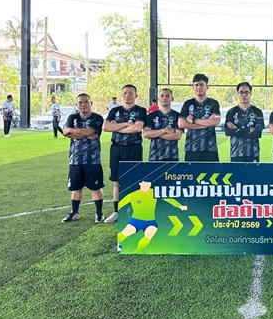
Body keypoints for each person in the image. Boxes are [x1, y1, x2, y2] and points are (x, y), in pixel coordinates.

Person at [103, 84, 147, 223]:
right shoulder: (114, 110)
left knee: (134, 180)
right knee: (117, 181)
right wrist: (127, 124)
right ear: (122, 95)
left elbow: (137, 128)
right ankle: (117, 211)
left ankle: (134, 210)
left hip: (133, 148)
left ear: (136, 95)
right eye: (125, 93)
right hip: (116, 149)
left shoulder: (141, 110)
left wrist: (116, 126)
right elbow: (106, 127)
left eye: (131, 93)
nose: (128, 96)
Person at [61, 93, 105, 223]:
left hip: (93, 159)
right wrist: (84, 133)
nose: (83, 105)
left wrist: (73, 132)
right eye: (80, 102)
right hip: (75, 160)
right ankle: (74, 212)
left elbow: (90, 132)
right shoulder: (72, 117)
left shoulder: (97, 118)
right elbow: (65, 132)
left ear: (91, 104)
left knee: (95, 187)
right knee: (76, 187)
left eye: (86, 102)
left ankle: (99, 213)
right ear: (76, 105)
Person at [118, 178, 187, 252]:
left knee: (148, 237)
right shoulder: (133, 195)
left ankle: (136, 252)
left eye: (149, 184)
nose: (147, 185)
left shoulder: (154, 193)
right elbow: (120, 204)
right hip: (135, 221)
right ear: (140, 183)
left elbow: (168, 198)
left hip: (151, 222)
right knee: (125, 234)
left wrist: (179, 206)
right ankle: (117, 244)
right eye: (145, 183)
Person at [178, 74, 221, 162]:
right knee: (191, 171)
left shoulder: (213, 103)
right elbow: (181, 124)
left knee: (212, 171)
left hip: (210, 148)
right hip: (191, 148)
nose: (199, 87)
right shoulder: (188, 104)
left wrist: (194, 120)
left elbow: (216, 122)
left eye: (201, 85)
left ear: (207, 87)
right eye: (196, 85)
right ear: (193, 87)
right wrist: (207, 123)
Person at [225, 82, 264, 162]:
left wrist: (236, 130)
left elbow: (257, 134)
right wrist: (249, 129)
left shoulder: (257, 112)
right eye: (241, 92)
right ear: (237, 94)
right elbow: (228, 132)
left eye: (246, 92)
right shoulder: (231, 112)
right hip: (236, 153)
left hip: (253, 154)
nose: (244, 95)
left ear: (250, 94)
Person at [143, 88, 183, 161]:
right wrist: (165, 130)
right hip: (154, 156)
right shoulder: (151, 116)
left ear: (172, 98)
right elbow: (146, 134)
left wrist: (155, 134)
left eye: (167, 96)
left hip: (172, 157)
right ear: (158, 98)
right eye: (162, 96)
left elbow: (177, 136)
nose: (164, 98)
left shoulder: (177, 116)